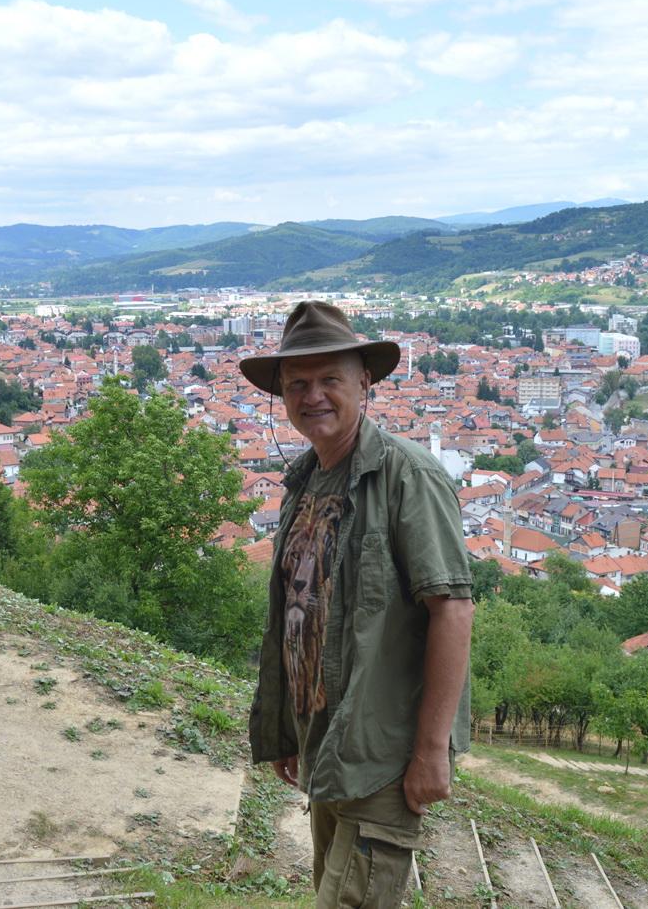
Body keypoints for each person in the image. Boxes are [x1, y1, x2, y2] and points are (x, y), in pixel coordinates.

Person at [242, 301, 475, 909]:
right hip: (324, 740)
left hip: (383, 750)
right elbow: (298, 617)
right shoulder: (304, 481)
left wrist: (429, 751)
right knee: (330, 886)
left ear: (364, 384)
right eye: (297, 384)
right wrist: (286, 729)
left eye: (329, 380)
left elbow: (452, 611)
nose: (312, 395)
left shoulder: (408, 477)